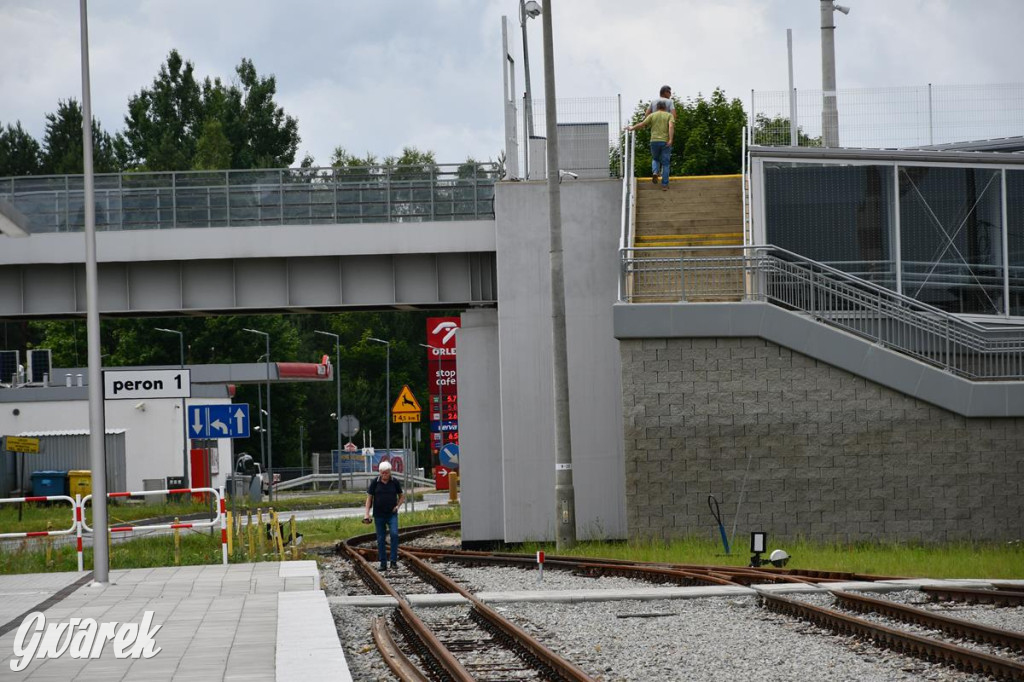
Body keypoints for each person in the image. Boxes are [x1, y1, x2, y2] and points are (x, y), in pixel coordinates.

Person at [363, 460, 405, 570]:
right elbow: (369, 499)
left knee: (394, 535)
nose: (384, 475)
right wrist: (366, 514)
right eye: (382, 473)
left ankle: (393, 561)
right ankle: (383, 563)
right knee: (381, 538)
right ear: (379, 472)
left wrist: (397, 506)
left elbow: (401, 496)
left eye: (386, 472)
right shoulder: (375, 483)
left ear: (390, 472)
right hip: (379, 514)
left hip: (392, 514)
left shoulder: (394, 482)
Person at [627, 100, 675, 190]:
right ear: (665, 108)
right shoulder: (669, 115)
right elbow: (671, 126)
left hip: (654, 141)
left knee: (655, 159)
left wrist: (631, 128)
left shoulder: (652, 115)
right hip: (665, 141)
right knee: (665, 164)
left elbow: (642, 124)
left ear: (657, 108)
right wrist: (671, 139)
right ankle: (664, 185)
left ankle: (655, 172)